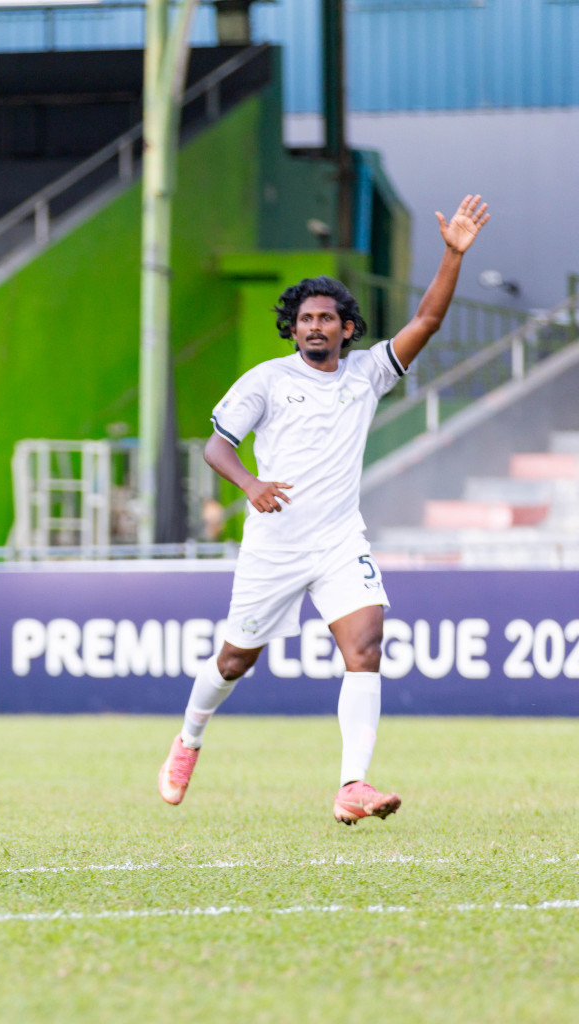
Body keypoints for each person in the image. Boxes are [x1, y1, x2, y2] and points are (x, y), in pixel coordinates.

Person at [159, 195, 490, 824]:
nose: (315, 326)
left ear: (346, 328)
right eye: (305, 318)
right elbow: (216, 447)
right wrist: (250, 484)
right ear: (293, 328)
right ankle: (189, 739)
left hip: (339, 542)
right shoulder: (266, 380)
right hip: (275, 545)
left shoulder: (367, 374)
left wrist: (452, 254)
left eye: (327, 318)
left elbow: (427, 320)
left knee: (365, 647)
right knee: (234, 661)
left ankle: (351, 786)